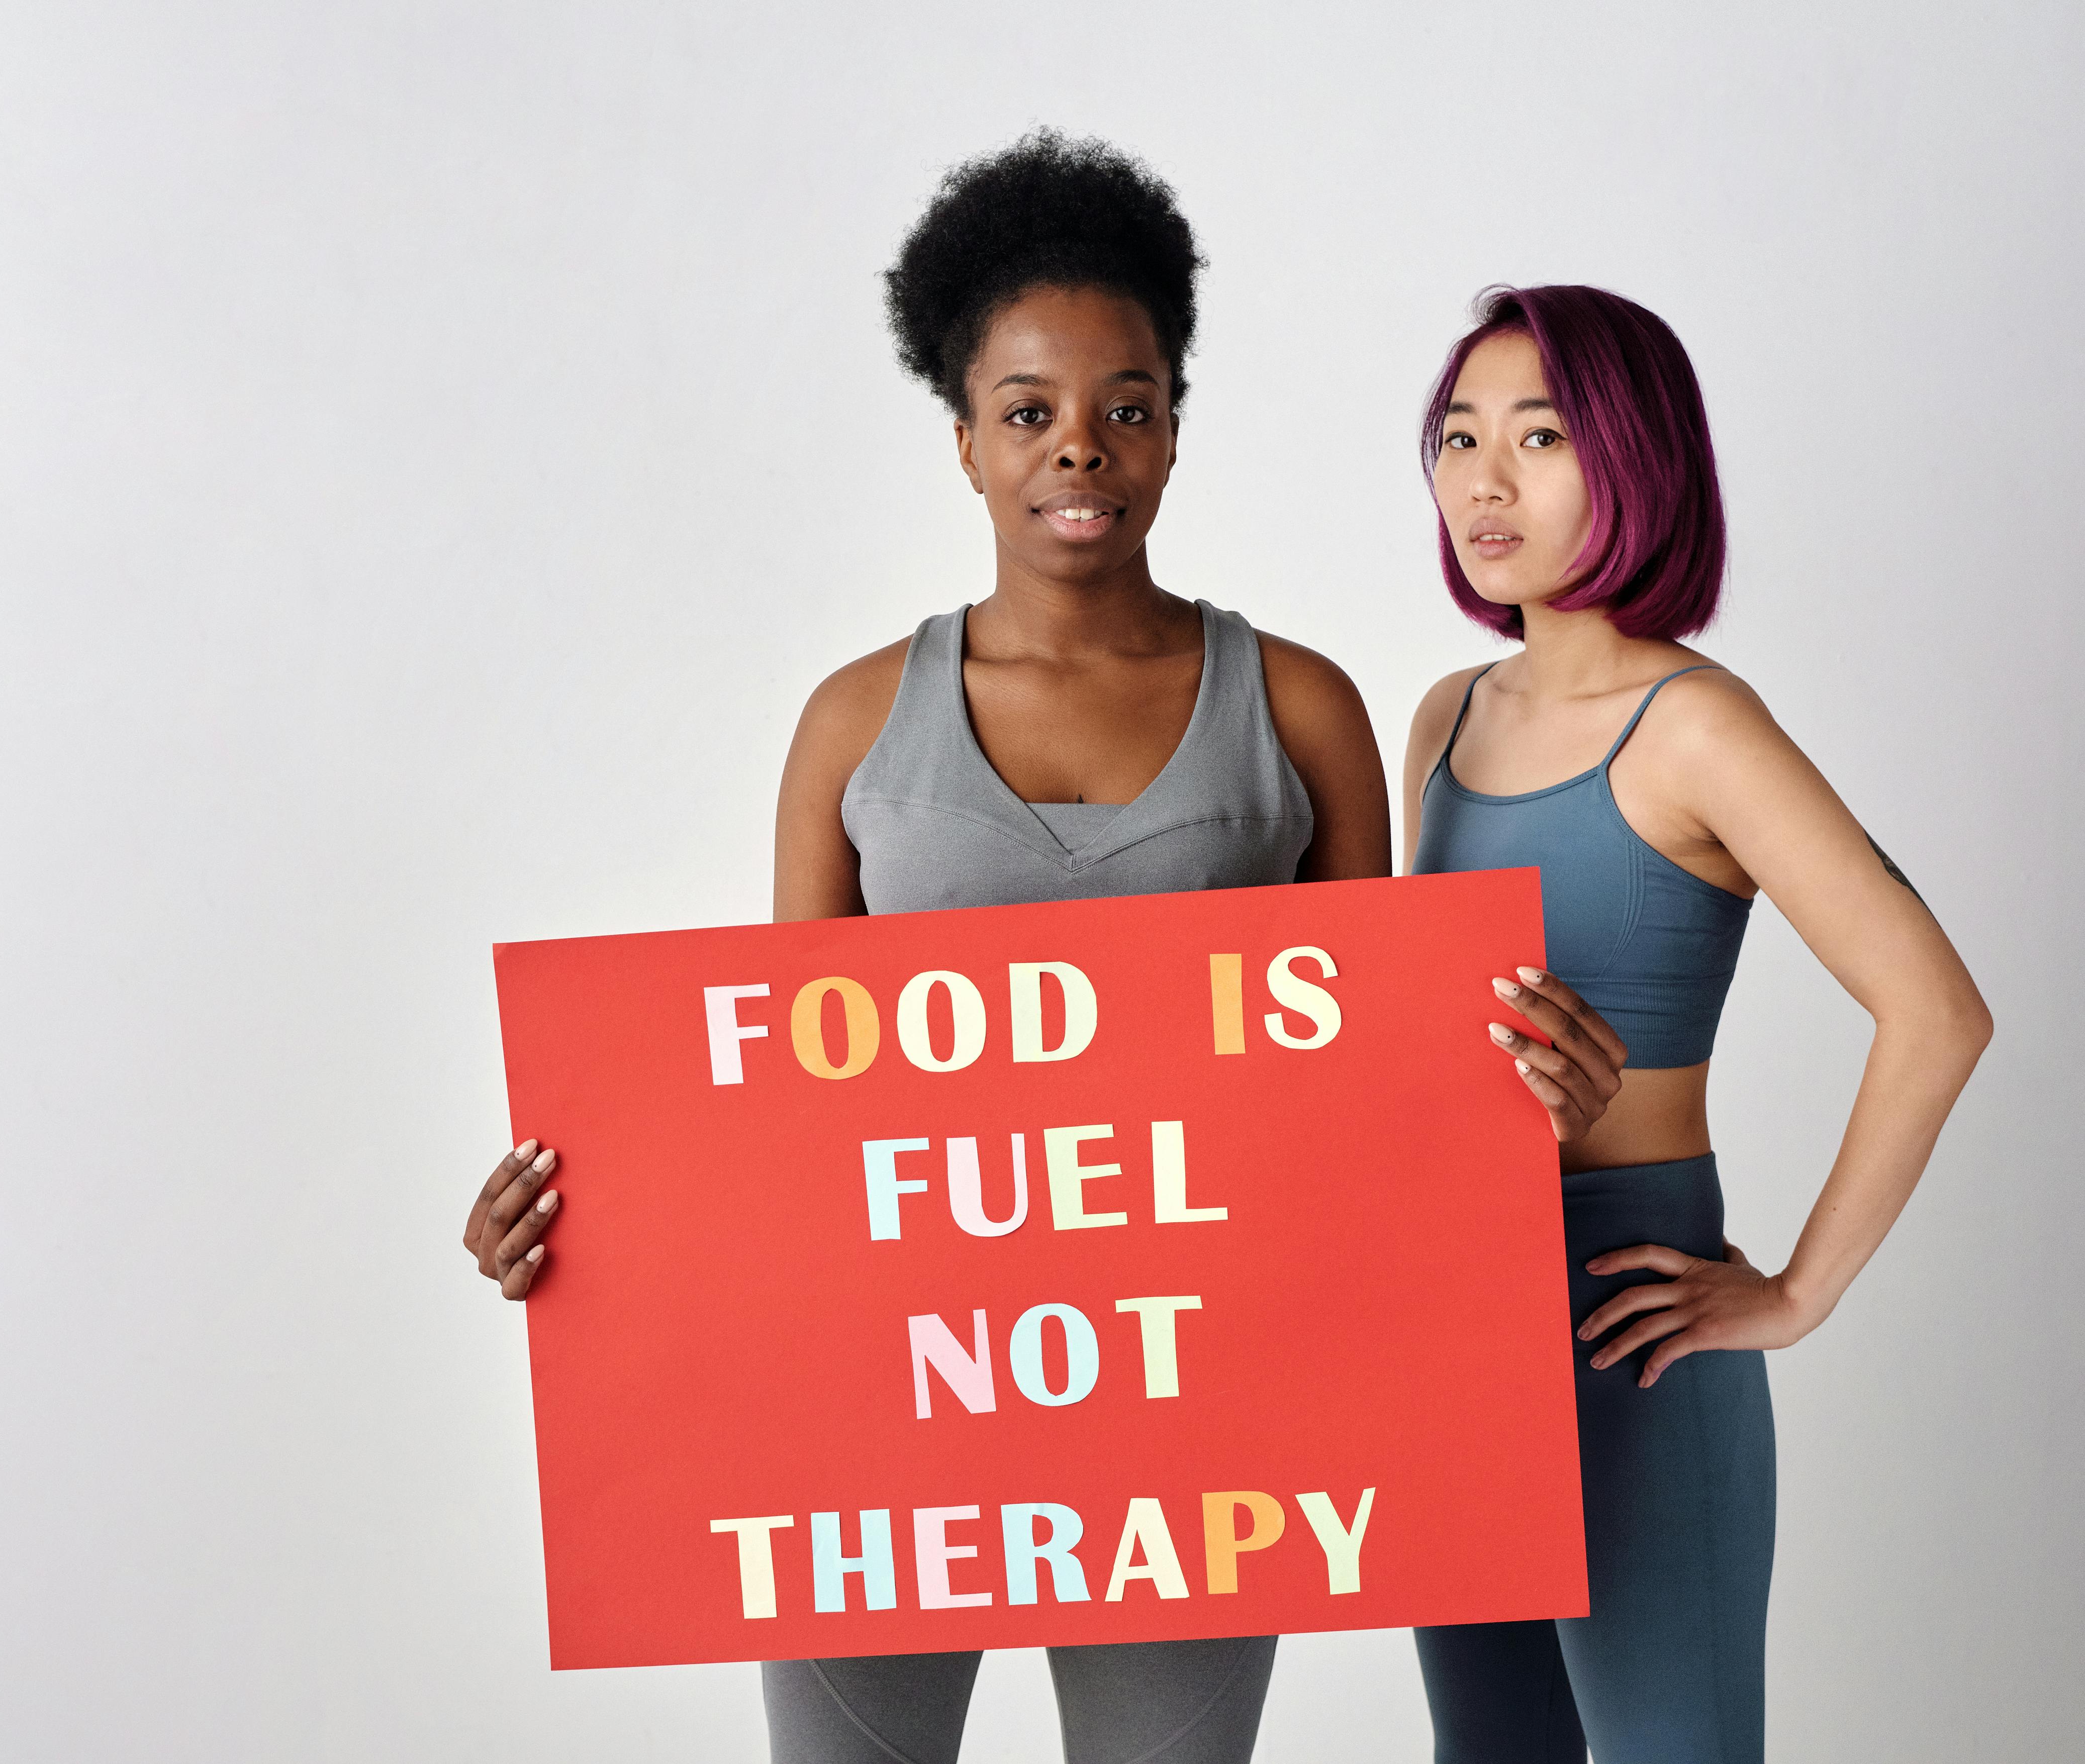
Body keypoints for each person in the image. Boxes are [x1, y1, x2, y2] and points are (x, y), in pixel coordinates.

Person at [461, 137, 1623, 1763]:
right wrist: (585, 1233)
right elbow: (777, 1124)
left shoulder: (1296, 709)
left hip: (1198, 1429)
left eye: (1126, 405)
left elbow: (1381, 1092)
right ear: (962, 443)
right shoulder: (856, 724)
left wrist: (1513, 1110)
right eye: (1026, 411)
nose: (1078, 447)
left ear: (1170, 428)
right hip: (881, 1423)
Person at [1400, 285, 1992, 1763]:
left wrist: (1793, 1293)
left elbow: (1935, 1011)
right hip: (1452, 1318)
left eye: (1537, 437)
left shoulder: (1698, 728)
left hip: (1631, 1315)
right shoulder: (1440, 719)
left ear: (1633, 459)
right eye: (1458, 436)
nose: (1483, 479)